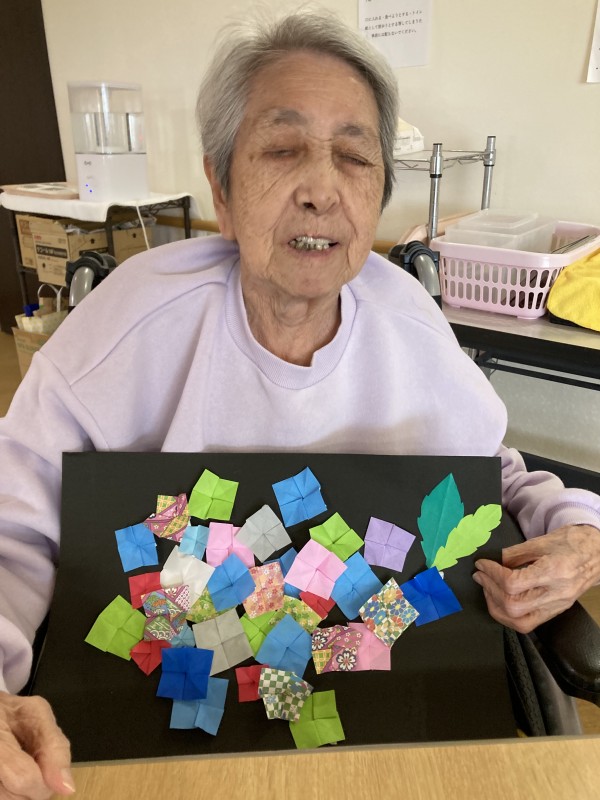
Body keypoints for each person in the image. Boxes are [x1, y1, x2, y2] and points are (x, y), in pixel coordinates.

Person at [1, 8, 599, 798]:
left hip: (387, 724)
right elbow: (13, 525)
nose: (321, 190)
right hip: (150, 730)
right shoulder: (127, 324)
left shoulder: (409, 325)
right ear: (221, 184)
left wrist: (580, 534)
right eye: (282, 150)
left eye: (354, 156)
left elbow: (496, 474)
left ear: (378, 191)